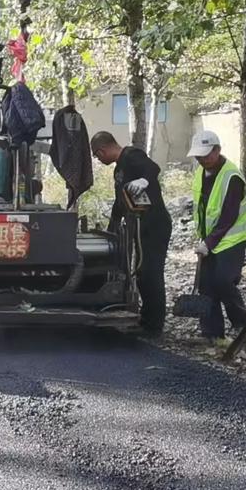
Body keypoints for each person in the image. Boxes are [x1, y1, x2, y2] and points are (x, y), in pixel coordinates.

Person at [91, 131, 172, 336]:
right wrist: (111, 229)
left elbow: (153, 168)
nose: (99, 160)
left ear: (102, 150)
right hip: (138, 227)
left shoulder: (132, 156)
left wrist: (144, 180)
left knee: (151, 274)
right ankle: (145, 318)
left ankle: (154, 326)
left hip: (154, 224)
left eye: (98, 156)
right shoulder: (119, 169)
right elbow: (120, 203)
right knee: (141, 274)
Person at [187, 130, 246, 346]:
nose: (202, 160)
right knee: (206, 286)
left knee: (224, 282)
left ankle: (241, 324)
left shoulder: (232, 177)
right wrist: (202, 239)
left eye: (206, 155)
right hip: (208, 240)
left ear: (217, 150)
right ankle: (211, 333)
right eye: (199, 156)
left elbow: (228, 215)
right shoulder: (200, 173)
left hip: (230, 240)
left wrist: (209, 242)